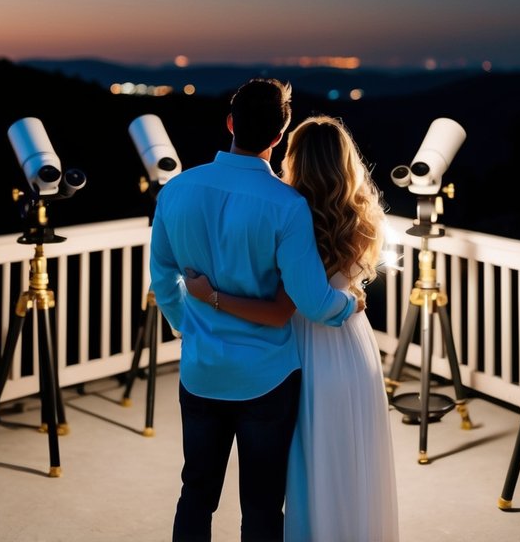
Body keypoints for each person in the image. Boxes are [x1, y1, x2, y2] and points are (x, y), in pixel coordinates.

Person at [148, 79, 359, 542]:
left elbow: (162, 278)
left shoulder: (177, 191)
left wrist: (188, 325)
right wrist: (349, 304)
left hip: (201, 370)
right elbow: (313, 302)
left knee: (196, 494)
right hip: (266, 379)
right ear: (279, 135)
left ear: (230, 123)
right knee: (263, 506)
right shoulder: (287, 205)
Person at [185, 114, 400, 542]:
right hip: (354, 347)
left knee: (308, 462)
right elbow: (353, 285)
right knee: (351, 458)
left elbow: (289, 303)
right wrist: (350, 299)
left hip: (306, 346)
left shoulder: (288, 211)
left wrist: (210, 295)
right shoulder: (364, 216)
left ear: (295, 157)